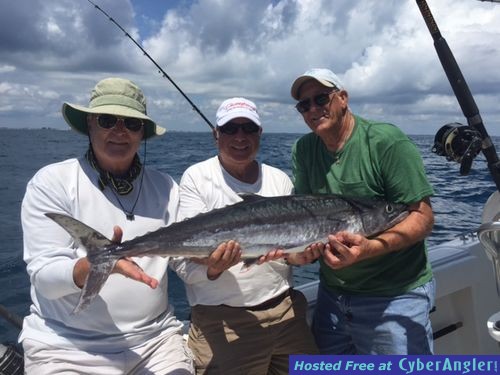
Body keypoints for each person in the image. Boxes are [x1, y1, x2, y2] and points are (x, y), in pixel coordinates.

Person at [19, 77, 195, 374]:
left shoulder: (165, 187)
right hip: (66, 347)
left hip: (156, 342)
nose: (119, 131)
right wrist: (92, 266)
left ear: (143, 133)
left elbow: (183, 261)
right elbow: (45, 280)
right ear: (89, 124)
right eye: (107, 120)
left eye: (131, 123)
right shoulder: (53, 182)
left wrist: (215, 266)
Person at [288, 68, 436, 355]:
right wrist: (297, 255)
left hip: (395, 295)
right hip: (332, 297)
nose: (313, 109)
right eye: (304, 105)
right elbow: (303, 217)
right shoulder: (304, 149)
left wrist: (370, 248)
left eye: (321, 99)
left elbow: (423, 217)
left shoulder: (385, 141)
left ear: (342, 98)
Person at [170, 97, 318, 374]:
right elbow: (181, 258)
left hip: (287, 313)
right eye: (230, 129)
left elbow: (289, 254)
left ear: (259, 134)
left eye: (248, 129)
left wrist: (301, 257)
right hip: (223, 322)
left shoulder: (279, 179)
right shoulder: (197, 177)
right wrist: (213, 268)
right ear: (216, 134)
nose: (240, 137)